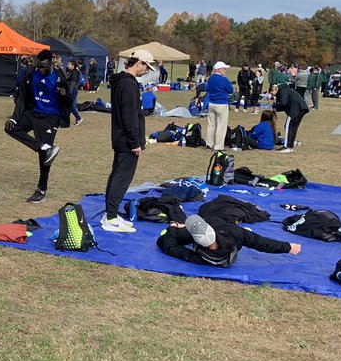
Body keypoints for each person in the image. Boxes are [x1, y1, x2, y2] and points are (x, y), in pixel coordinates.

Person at [101, 49, 154, 233]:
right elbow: (130, 116)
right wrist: (135, 142)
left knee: (116, 174)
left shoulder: (121, 82)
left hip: (120, 137)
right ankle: (111, 218)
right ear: (137, 63)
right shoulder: (129, 85)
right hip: (126, 140)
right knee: (122, 178)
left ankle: (110, 213)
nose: (147, 71)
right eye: (146, 66)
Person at [5, 49, 63, 204]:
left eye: (44, 67)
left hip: (50, 117)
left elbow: (69, 98)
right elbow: (22, 96)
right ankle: (43, 146)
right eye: (39, 66)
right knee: (10, 127)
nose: (41, 69)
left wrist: (64, 94)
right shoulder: (32, 72)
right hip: (34, 112)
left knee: (44, 158)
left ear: (51, 62)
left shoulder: (58, 76)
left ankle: (41, 190)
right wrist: (15, 118)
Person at [157, 214, 300, 267]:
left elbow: (169, 247)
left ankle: (187, 226)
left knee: (167, 239)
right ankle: (192, 225)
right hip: (222, 230)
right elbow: (262, 243)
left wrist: (173, 228)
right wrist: (288, 247)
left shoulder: (200, 257)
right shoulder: (235, 233)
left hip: (213, 225)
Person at [272, 82, 309, 153]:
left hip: (295, 109)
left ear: (274, 90)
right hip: (301, 108)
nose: (272, 95)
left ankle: (287, 146)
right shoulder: (285, 90)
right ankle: (290, 146)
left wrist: (275, 106)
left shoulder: (283, 91)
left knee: (288, 127)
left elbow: (284, 103)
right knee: (293, 128)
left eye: (271, 93)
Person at [204, 62, 234, 149]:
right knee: (221, 126)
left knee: (211, 125)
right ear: (219, 69)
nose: (225, 71)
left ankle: (209, 143)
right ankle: (218, 146)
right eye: (224, 69)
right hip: (221, 104)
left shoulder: (210, 79)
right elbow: (230, 90)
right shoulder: (224, 79)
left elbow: (208, 88)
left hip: (212, 103)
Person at [65, 58, 83, 126]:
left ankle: (78, 117)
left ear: (73, 65)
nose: (68, 65)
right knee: (70, 105)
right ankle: (67, 118)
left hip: (73, 90)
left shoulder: (74, 72)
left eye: (69, 64)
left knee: (70, 105)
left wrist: (69, 92)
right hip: (70, 90)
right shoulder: (70, 71)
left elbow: (72, 83)